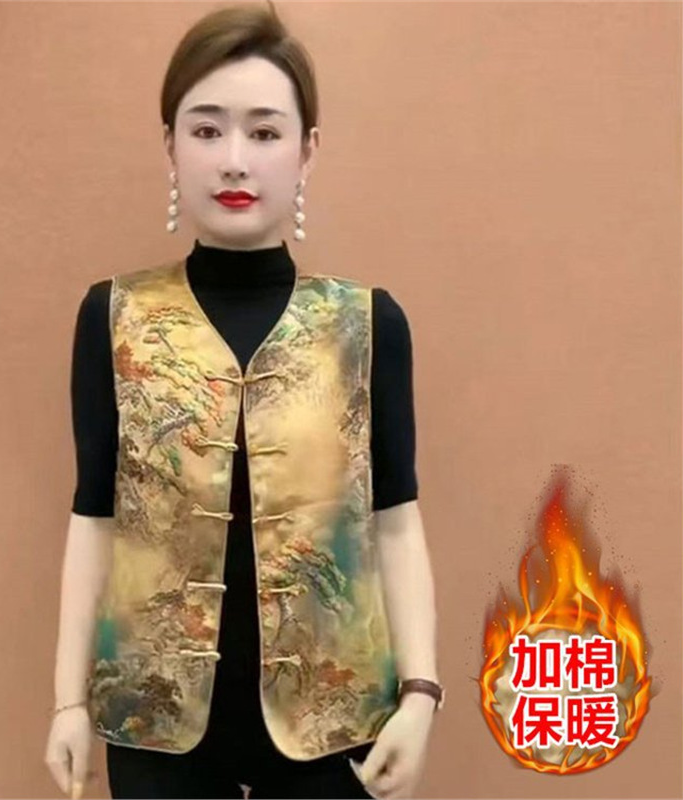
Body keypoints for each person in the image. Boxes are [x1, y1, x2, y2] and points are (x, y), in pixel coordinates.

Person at [45, 3, 443, 799]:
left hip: (334, 720)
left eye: (264, 132)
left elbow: (395, 520)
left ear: (306, 150)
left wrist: (420, 694)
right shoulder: (115, 317)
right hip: (154, 718)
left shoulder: (365, 325)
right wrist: (68, 702)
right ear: (170, 144)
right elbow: (95, 517)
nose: (234, 161)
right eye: (206, 129)